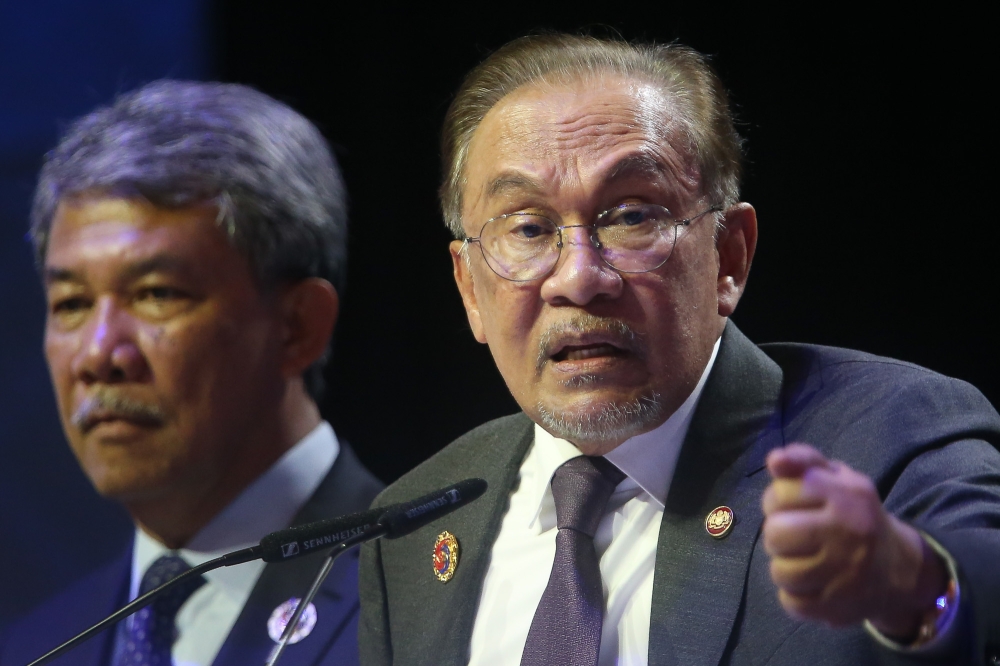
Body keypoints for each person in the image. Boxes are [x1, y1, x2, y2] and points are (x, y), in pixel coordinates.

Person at [358, 34, 1000, 666]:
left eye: (631, 217)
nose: (579, 277)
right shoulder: (410, 527)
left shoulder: (888, 437)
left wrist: (919, 590)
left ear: (729, 256)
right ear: (470, 288)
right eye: (527, 228)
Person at [0, 80, 383, 666]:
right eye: (72, 304)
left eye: (156, 294)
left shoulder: (420, 597)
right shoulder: (38, 647)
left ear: (297, 326)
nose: (99, 354)